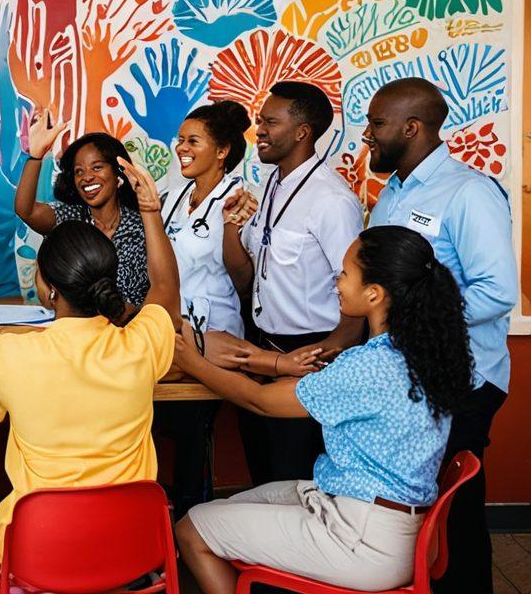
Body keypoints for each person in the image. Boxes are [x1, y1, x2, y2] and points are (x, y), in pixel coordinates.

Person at [174, 226, 475, 593]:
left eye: (345, 272)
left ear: (374, 294)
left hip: (363, 539)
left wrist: (192, 361)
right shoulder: (425, 353)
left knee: (191, 529)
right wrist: (271, 361)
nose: (337, 280)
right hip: (389, 523)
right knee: (237, 504)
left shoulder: (369, 367)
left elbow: (261, 402)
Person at [0, 159, 181, 593]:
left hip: (38, 552)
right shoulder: (140, 343)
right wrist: (150, 213)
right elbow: (166, 292)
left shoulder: (12, 354)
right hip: (131, 549)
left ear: (48, 288)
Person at [362, 77, 517, 594]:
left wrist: (416, 322)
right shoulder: (391, 194)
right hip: (414, 380)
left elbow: (497, 291)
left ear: (413, 127)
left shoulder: (469, 192)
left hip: (465, 382)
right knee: (419, 505)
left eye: (378, 123)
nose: (367, 134)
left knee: (456, 510)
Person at [219, 81, 364, 484]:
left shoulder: (332, 201)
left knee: (295, 481)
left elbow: (355, 298)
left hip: (310, 355)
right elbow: (247, 272)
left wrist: (320, 364)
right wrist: (231, 226)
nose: (259, 131)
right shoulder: (271, 186)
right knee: (264, 475)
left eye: (270, 122)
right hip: (263, 350)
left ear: (302, 132)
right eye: (259, 121)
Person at [151, 99, 250, 517]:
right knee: (151, 422)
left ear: (222, 150)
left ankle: (191, 516)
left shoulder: (241, 200)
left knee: (192, 427)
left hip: (216, 334)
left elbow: (245, 275)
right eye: (180, 141)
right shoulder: (172, 196)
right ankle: (154, 515)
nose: (181, 149)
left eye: (193, 141)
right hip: (169, 331)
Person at [16, 116, 149, 307]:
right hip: (76, 330)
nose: (86, 177)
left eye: (97, 167)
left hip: (131, 328)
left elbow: (160, 287)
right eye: (79, 171)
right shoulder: (68, 219)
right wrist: (36, 157)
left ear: (118, 173)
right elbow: (25, 211)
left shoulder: (142, 225)